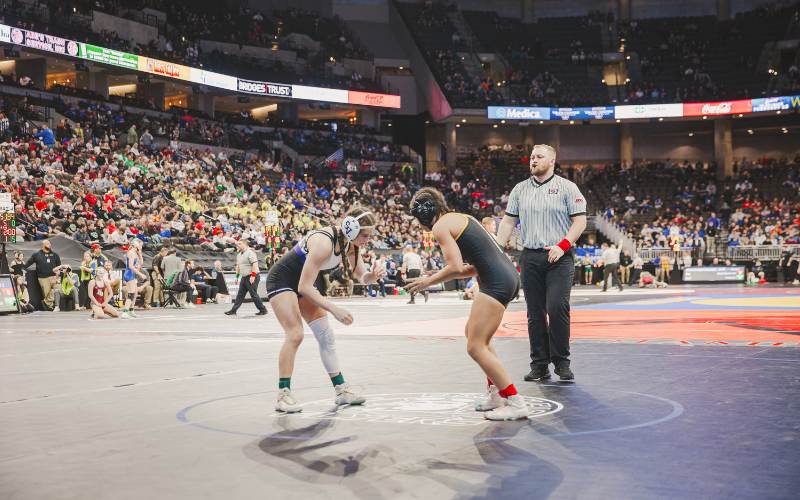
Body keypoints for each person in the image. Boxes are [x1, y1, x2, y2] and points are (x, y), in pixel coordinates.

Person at [405, 188, 527, 421]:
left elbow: (454, 267)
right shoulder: (462, 218)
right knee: (474, 333)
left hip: (496, 281)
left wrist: (427, 282)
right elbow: (470, 267)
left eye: (417, 219)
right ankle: (496, 394)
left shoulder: (441, 226)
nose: (419, 225)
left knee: (475, 346)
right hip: (504, 276)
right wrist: (433, 278)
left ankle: (515, 401)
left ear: (424, 214)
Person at [264, 207, 385, 413]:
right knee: (295, 334)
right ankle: (283, 395)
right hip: (282, 279)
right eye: (365, 235)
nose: (368, 240)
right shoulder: (324, 242)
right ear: (352, 229)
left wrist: (373, 276)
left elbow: (362, 277)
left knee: (325, 335)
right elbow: (304, 287)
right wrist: (334, 308)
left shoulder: (350, 244)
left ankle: (341, 390)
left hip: (304, 281)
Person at [496, 144, 587, 382]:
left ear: (552, 161)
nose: (533, 160)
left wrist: (563, 245)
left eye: (539, 157)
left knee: (557, 307)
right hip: (531, 257)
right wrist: (497, 248)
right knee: (534, 313)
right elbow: (508, 222)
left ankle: (562, 362)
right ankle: (539, 365)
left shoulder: (568, 187)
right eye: (532, 157)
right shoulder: (520, 189)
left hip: (559, 256)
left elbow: (580, 222)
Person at [225, 240, 268, 316]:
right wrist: (237, 277)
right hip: (244, 277)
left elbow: (255, 264)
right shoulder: (239, 255)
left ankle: (263, 310)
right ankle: (233, 310)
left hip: (252, 276)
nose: (237, 245)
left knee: (253, 294)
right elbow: (238, 266)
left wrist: (253, 276)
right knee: (240, 294)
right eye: (237, 244)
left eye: (239, 244)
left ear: (245, 244)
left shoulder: (250, 253)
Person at [23, 240, 62, 310]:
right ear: (43, 245)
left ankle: (46, 302)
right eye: (47, 243)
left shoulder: (55, 255)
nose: (49, 245)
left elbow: (59, 267)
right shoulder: (37, 254)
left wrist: (57, 277)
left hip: (54, 276)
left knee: (58, 289)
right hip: (43, 278)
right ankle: (50, 307)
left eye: (49, 243)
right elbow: (29, 262)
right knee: (47, 294)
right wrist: (22, 269)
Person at [122, 239, 147, 316]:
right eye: (140, 245)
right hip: (129, 274)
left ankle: (131, 310)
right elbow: (131, 266)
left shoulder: (135, 253)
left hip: (132, 274)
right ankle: (125, 312)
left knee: (135, 293)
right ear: (136, 245)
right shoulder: (131, 253)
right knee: (131, 294)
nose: (141, 247)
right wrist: (140, 274)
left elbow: (141, 263)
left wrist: (140, 254)